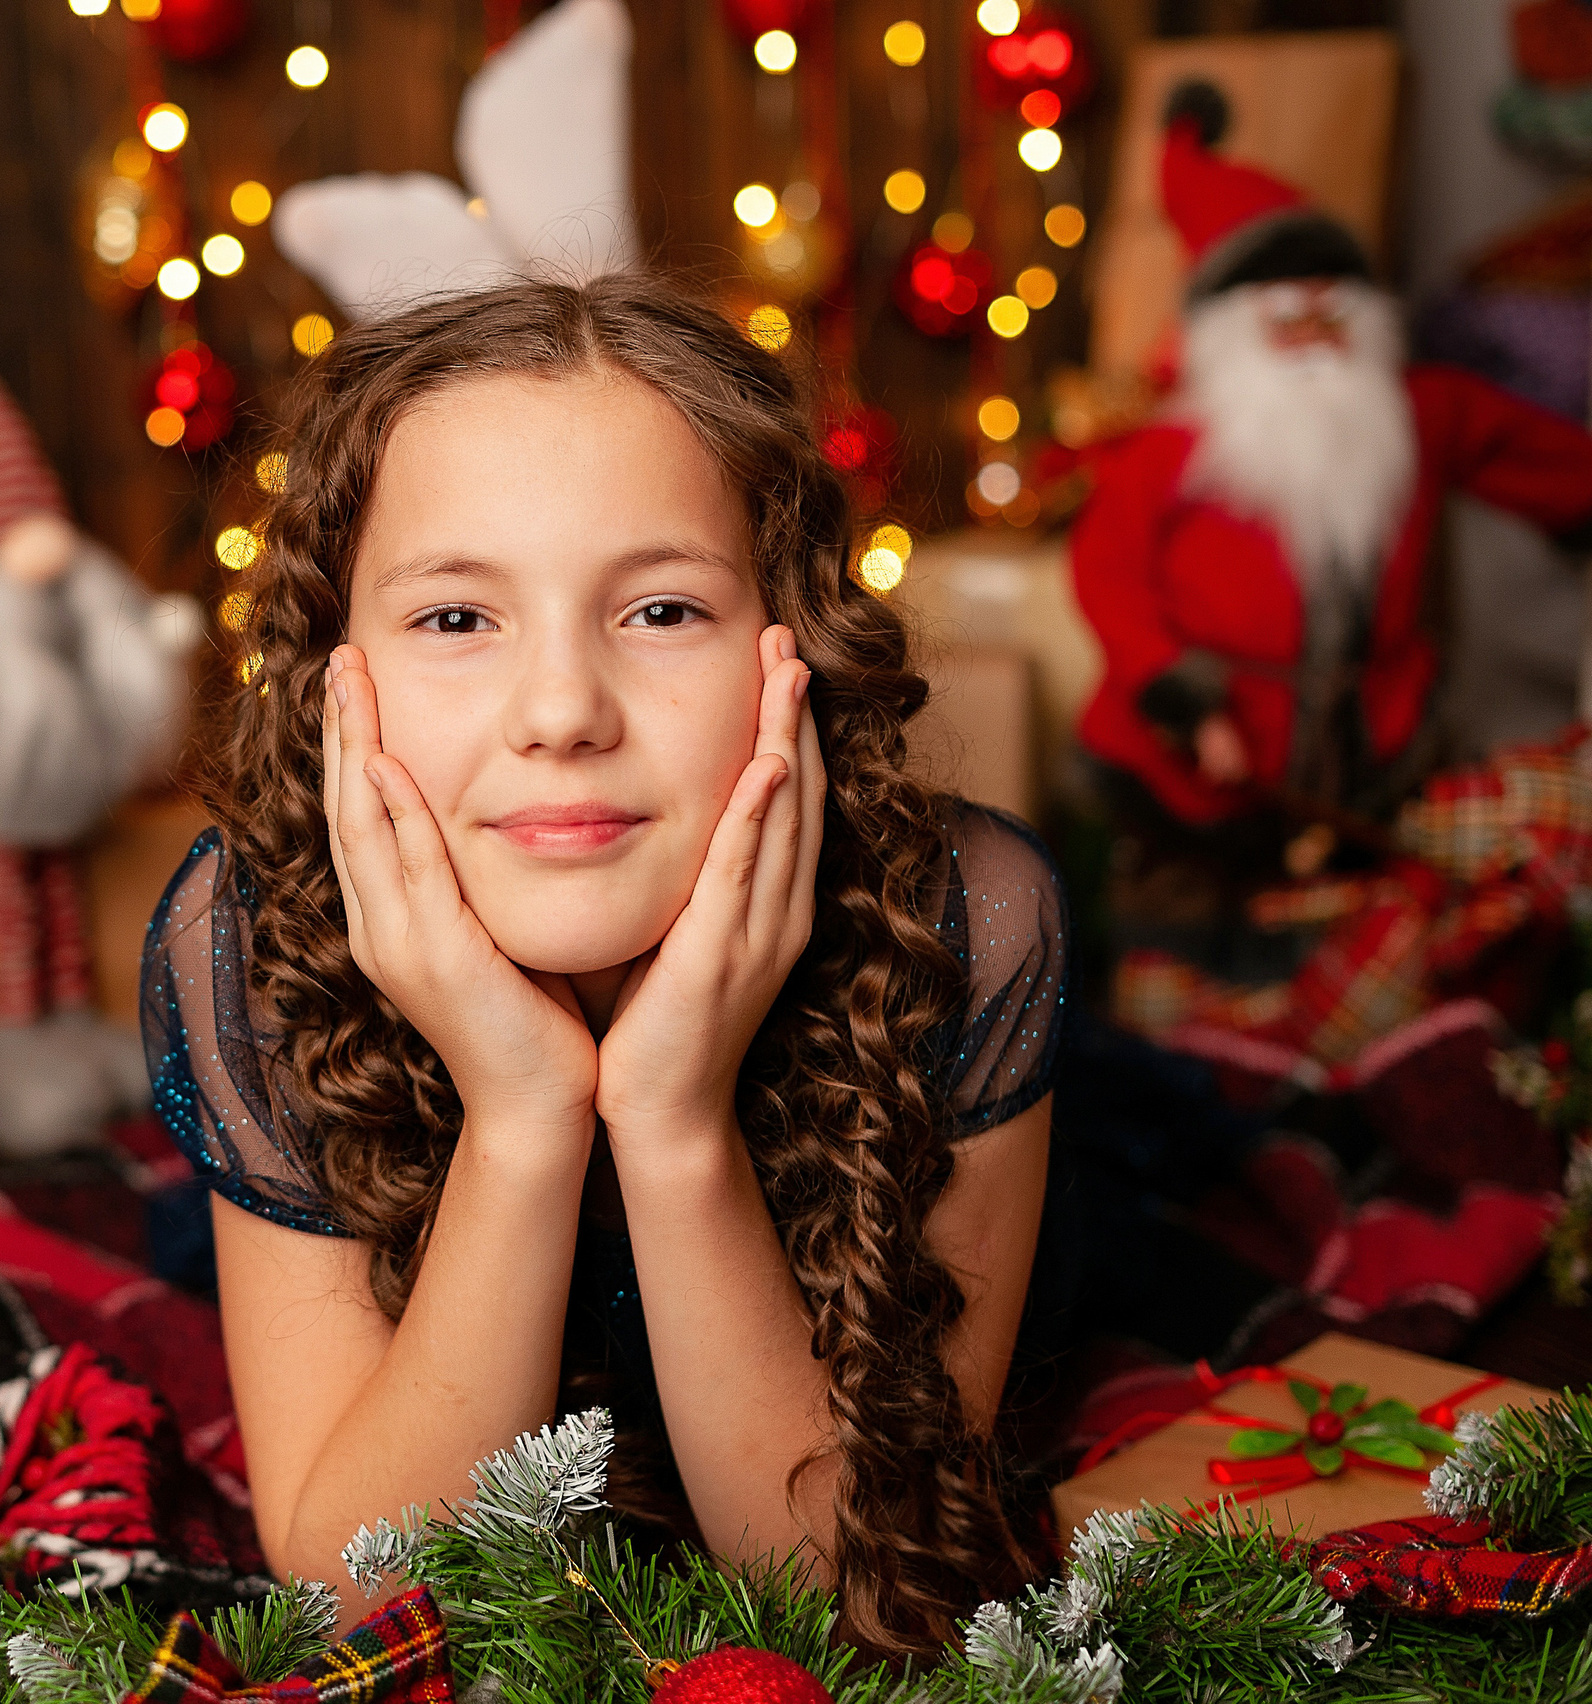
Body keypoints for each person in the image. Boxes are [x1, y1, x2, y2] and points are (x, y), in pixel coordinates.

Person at [140, 274, 1065, 1654]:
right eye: (458, 619)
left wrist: (676, 1117)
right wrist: (521, 1111)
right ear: (342, 673)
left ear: (787, 646)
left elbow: (861, 1599)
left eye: (661, 613)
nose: (564, 713)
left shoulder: (967, 914)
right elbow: (360, 1590)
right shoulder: (253, 932)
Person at [1074, 82, 1592, 846]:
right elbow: (1105, 570)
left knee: (1357, 907)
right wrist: (1178, 694)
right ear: (1230, 335)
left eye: (1335, 309)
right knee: (1195, 919)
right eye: (1286, 316)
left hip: (1372, 737)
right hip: (1203, 754)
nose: (1315, 332)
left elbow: (1536, 457)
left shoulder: (1416, 412)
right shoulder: (1173, 447)